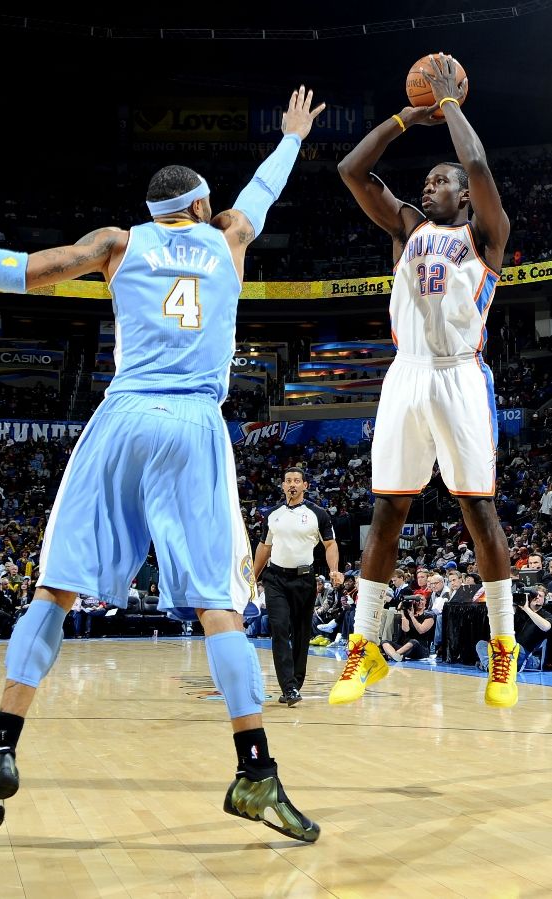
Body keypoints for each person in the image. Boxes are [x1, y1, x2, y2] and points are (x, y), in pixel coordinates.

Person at [0, 86, 326, 844]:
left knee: (56, 589)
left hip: (120, 421)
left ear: (155, 213)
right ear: (202, 210)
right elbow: (262, 191)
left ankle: (2, 744)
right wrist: (293, 137)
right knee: (216, 604)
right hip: (193, 427)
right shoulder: (230, 237)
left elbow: (24, 269)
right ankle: (253, 771)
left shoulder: (117, 242)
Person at [328, 54, 517, 709]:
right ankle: (363, 646)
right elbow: (350, 170)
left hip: (460, 375)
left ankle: (502, 646)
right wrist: (403, 119)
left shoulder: (486, 237)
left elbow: (480, 166)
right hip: (405, 375)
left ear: (461, 196)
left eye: (442, 181)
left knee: (476, 509)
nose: (431, 185)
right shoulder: (406, 226)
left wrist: (451, 107)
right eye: (428, 180)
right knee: (387, 511)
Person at [252, 467, 342, 706]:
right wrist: (252, 577)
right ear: (283, 486)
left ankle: (295, 683)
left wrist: (333, 570)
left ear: (305, 486)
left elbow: (330, 544)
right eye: (288, 481)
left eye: (297, 481)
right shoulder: (273, 514)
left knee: (302, 633)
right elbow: (264, 547)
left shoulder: (318, 514)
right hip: (275, 579)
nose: (292, 484)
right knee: (279, 628)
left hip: (304, 580)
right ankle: (289, 687)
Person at [476, 588, 551, 672]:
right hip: (507, 649)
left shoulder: (546, 615)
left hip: (525, 654)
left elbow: (546, 627)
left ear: (545, 600)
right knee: (481, 644)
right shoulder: (519, 613)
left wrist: (527, 609)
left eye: (540, 596)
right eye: (534, 595)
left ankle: (489, 665)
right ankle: (491, 667)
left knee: (516, 648)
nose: (536, 597)